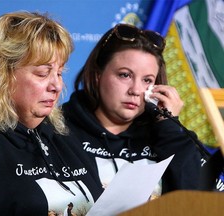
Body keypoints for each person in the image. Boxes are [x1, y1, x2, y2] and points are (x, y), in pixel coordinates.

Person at [0, 11, 103, 215]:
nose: (57, 85)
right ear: (2, 73)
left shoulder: (60, 133)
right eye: (43, 73)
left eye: (59, 73)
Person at [61, 23, 204, 197]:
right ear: (98, 75)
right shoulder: (58, 130)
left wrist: (169, 129)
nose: (135, 90)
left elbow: (198, 202)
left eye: (147, 80)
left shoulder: (169, 136)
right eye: (125, 75)